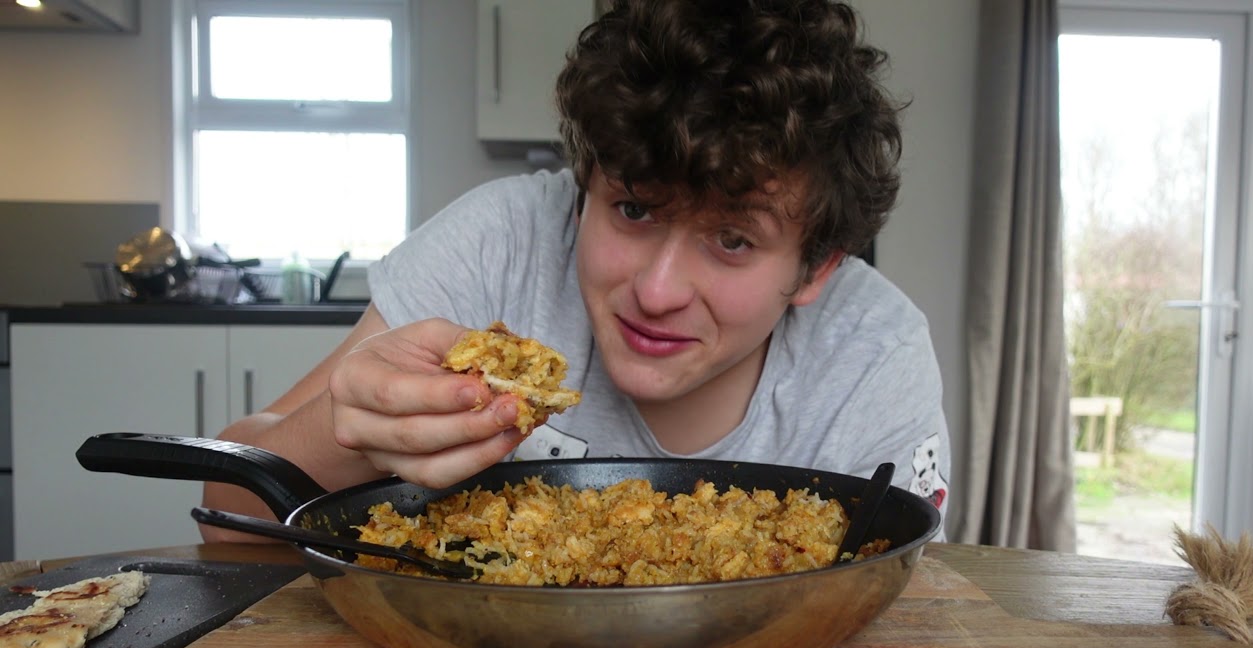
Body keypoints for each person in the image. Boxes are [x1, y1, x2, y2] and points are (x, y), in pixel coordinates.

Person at [201, 0, 951, 542]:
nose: (657, 292)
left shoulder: (873, 356)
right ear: (584, 184)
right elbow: (224, 523)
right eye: (632, 209)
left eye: (731, 240)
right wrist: (350, 434)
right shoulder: (499, 245)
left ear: (817, 267)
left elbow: (890, 614)